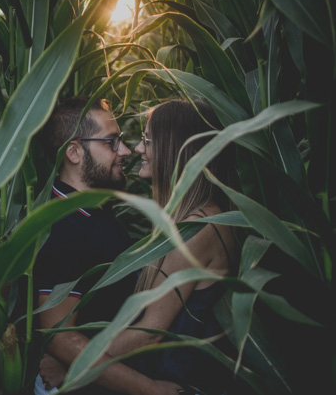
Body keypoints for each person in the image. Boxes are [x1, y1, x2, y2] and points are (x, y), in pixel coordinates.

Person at [32, 96, 181, 395]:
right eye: (111, 142)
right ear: (74, 152)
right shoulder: (62, 225)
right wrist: (152, 389)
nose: (124, 151)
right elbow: (60, 338)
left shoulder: (92, 212)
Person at [106, 98, 239, 394]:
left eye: (147, 141)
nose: (138, 149)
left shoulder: (197, 228)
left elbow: (149, 333)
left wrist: (74, 362)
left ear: (175, 149)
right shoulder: (199, 217)